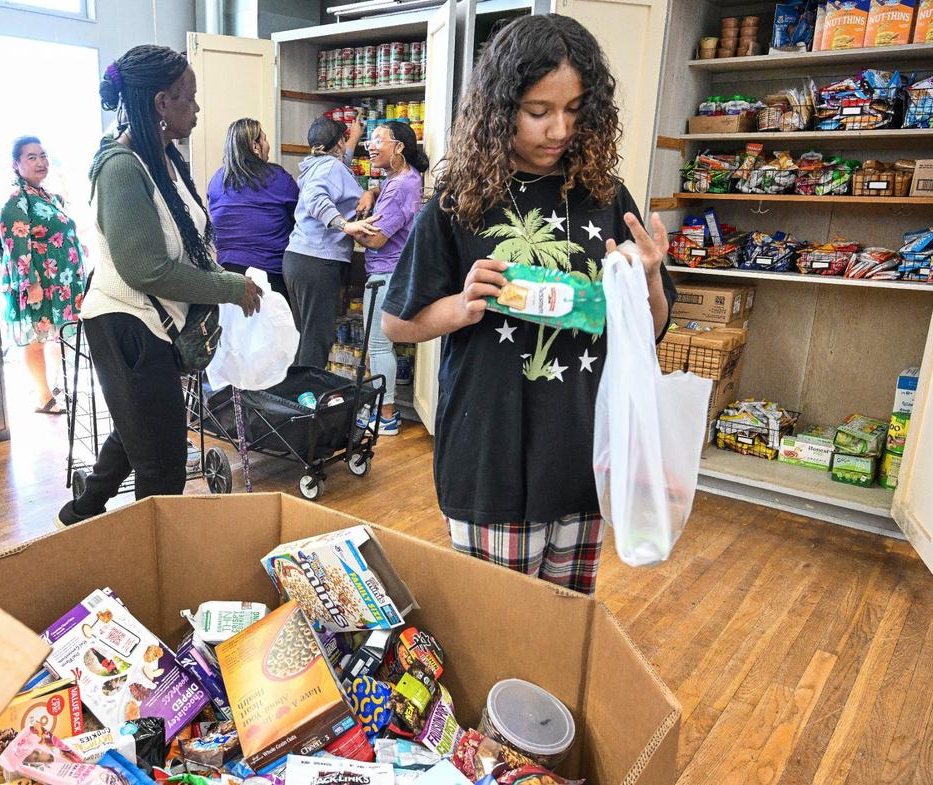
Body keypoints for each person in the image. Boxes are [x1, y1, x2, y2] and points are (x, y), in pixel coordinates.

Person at [381, 14, 676, 595]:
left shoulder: (604, 195)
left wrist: (650, 282)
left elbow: (653, 327)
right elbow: (396, 323)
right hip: (490, 454)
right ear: (499, 107)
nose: (559, 129)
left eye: (574, 110)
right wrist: (462, 307)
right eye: (538, 112)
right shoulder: (460, 202)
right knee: (499, 626)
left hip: (583, 450)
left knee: (564, 620)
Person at [56, 45, 262, 528]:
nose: (197, 108)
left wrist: (220, 277)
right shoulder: (122, 167)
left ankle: (81, 511)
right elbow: (146, 270)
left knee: (138, 428)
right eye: (188, 98)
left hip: (152, 324)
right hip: (126, 325)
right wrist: (229, 287)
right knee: (163, 463)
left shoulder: (161, 156)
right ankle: (152, 562)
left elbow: (182, 243)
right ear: (160, 104)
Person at [0, 136, 87, 414]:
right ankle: (43, 396)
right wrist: (31, 282)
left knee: (52, 337)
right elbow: (15, 244)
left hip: (58, 281)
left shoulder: (44, 194)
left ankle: (54, 389)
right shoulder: (16, 199)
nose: (41, 162)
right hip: (39, 283)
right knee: (36, 339)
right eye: (32, 157)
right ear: (16, 164)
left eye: (43, 155)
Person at [283, 115, 380, 368]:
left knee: (304, 335)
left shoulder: (318, 164)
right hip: (318, 261)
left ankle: (296, 398)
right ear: (338, 143)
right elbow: (315, 198)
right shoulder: (330, 167)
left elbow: (338, 172)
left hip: (298, 259)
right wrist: (345, 225)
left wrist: (354, 137)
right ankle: (310, 399)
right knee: (318, 338)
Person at [353, 121, 429, 436]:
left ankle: (386, 416)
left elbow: (376, 239)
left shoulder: (399, 186)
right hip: (393, 271)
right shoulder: (403, 178)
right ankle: (385, 410)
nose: (371, 145)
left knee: (379, 345)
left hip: (385, 273)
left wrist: (346, 229)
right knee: (383, 345)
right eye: (370, 139)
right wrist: (371, 191)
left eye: (379, 140)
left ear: (398, 147)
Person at [207, 118, 298, 299]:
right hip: (269, 276)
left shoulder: (217, 179)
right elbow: (300, 217)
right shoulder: (277, 177)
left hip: (226, 277)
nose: (267, 145)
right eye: (264, 139)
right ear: (255, 146)